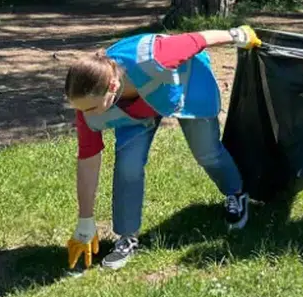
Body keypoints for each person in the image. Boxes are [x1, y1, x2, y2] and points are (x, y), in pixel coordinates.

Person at [64, 26, 261, 270]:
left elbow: (197, 39)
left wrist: (238, 35)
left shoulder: (155, 55)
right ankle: (127, 238)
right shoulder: (89, 106)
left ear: (112, 87)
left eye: (90, 108)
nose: (83, 115)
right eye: (80, 108)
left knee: (207, 151)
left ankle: (236, 194)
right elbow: (87, 161)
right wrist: (85, 221)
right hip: (136, 112)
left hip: (186, 87)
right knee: (128, 167)